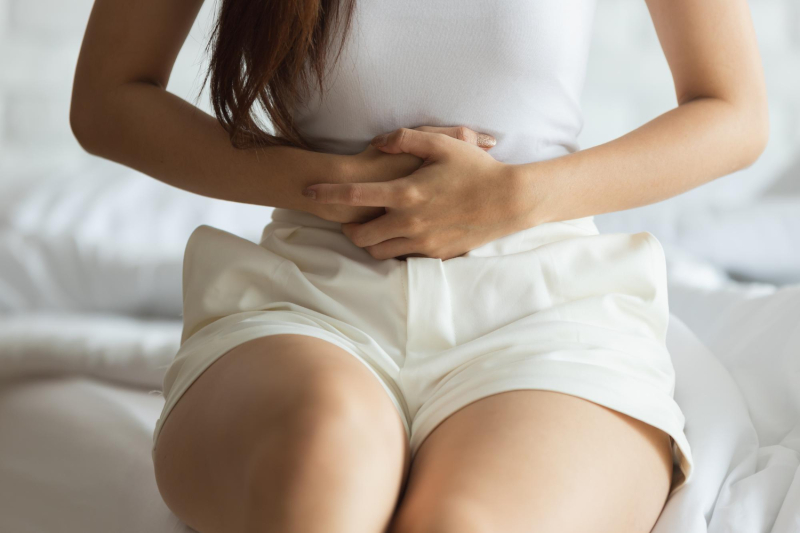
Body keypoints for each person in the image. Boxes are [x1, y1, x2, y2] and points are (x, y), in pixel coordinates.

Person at [70, 0, 768, 531]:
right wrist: (337, 184)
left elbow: (732, 109)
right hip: (309, 300)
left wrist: (511, 196)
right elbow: (109, 97)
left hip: (544, 309)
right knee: (324, 470)